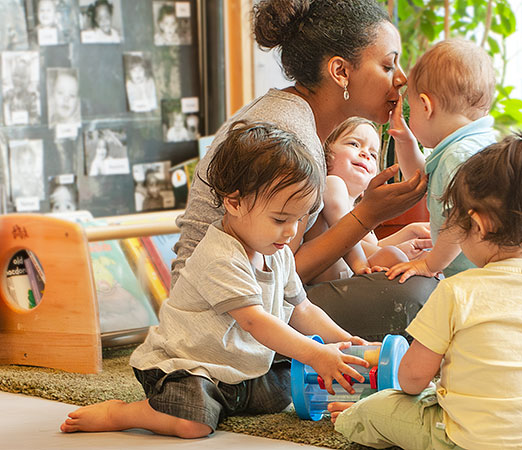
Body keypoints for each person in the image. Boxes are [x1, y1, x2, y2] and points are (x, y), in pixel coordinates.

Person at [60, 121, 372, 438]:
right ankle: (123, 413)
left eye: (299, 218)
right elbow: (255, 322)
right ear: (234, 202)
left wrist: (342, 341)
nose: (291, 231)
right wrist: (315, 353)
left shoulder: (278, 252)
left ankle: (222, 401)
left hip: (236, 365)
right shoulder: (221, 256)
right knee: (192, 425)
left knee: (283, 389)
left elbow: (302, 309)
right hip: (186, 365)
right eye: (280, 219)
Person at [174, 0, 433, 341]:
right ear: (340, 71)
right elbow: (283, 270)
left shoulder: (301, 122)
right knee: (415, 297)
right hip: (224, 309)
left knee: (420, 278)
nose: (400, 79)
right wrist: (368, 215)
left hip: (260, 291)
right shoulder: (290, 133)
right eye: (387, 66)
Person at [330, 127, 522, 450]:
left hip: (469, 443)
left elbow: (411, 381)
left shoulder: (457, 290)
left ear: (477, 225)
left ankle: (349, 417)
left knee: (380, 407)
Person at [383, 39, 496, 283]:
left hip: (486, 282)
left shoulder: (458, 157)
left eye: (411, 110)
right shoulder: (472, 146)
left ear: (426, 106)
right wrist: (405, 142)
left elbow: (460, 220)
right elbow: (421, 180)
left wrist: (429, 263)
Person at [306, 116, 432, 283]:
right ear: (326, 154)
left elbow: (373, 247)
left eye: (373, 154)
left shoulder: (356, 209)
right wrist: (393, 252)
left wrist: (411, 232)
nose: (365, 153)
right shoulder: (332, 185)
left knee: (396, 256)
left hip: (346, 279)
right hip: (325, 285)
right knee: (393, 255)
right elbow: (346, 237)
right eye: (354, 144)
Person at [3, 57, 40, 126]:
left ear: (29, 81)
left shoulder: (31, 98)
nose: (18, 80)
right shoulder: (8, 95)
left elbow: (34, 119)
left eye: (23, 77)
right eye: (15, 75)